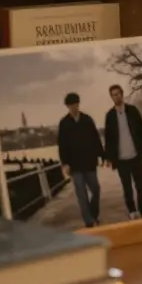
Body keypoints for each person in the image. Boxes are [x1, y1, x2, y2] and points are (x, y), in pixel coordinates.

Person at [103, 85, 142, 220]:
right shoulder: (110, 116)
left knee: (140, 186)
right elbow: (108, 138)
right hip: (121, 159)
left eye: (118, 94)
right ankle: (131, 210)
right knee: (127, 188)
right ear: (111, 97)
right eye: (113, 95)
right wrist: (108, 157)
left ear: (122, 94)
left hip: (136, 155)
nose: (116, 96)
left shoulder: (132, 111)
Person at [56, 92, 103, 228]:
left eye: (75, 104)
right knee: (81, 194)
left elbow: (95, 139)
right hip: (74, 165)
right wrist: (64, 163)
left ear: (78, 104)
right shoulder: (64, 124)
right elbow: (62, 145)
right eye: (70, 105)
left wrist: (101, 155)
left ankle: (93, 213)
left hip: (89, 163)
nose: (73, 107)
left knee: (96, 189)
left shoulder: (87, 120)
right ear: (67, 106)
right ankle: (88, 221)